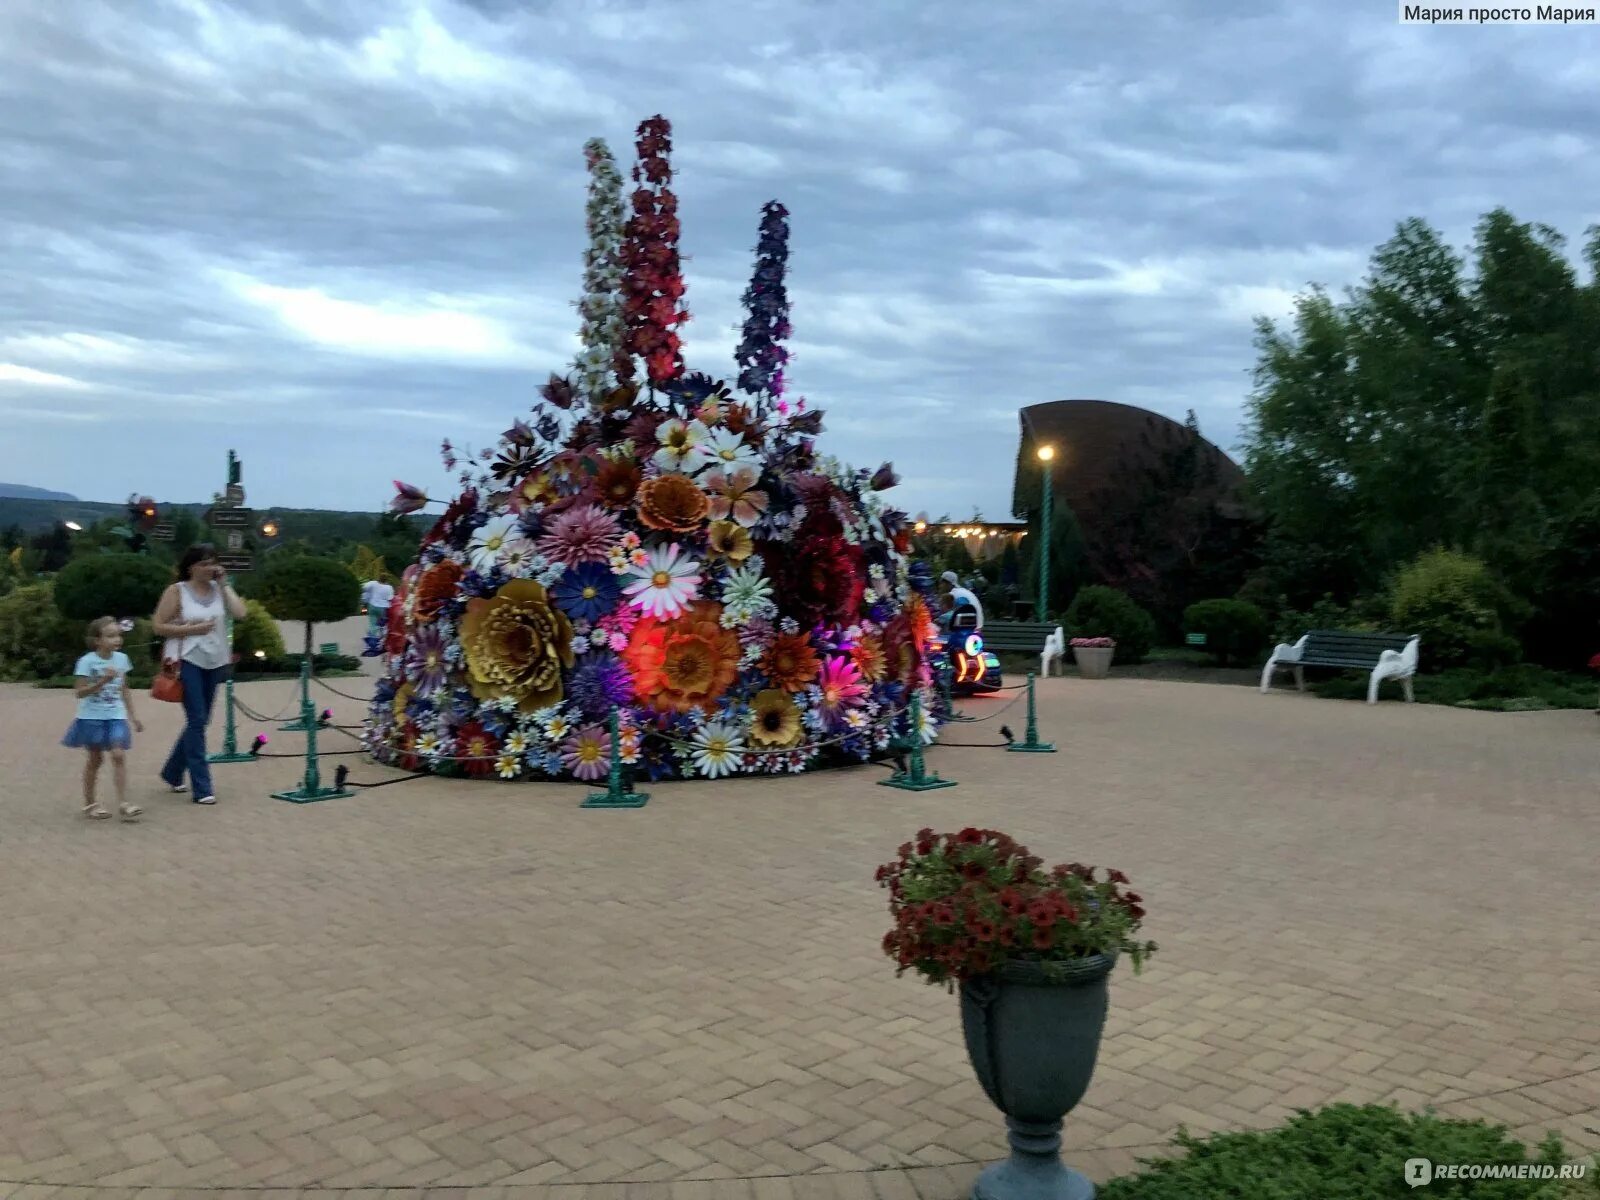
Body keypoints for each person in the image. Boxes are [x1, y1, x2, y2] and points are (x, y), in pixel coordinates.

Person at [151, 544, 248, 805]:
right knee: (196, 720)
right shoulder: (177, 591)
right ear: (191, 566)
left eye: (213, 563)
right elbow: (158, 626)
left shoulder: (219, 590)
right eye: (204, 563)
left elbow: (241, 613)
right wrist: (189, 630)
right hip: (187, 659)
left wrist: (225, 585)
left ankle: (172, 771)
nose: (209, 568)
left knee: (202, 720)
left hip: (215, 659)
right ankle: (202, 787)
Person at [63, 616, 145, 821]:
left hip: (115, 715)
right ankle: (90, 803)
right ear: (97, 640)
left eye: (118, 635)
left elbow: (124, 688)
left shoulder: (121, 659)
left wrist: (133, 716)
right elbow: (79, 692)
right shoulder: (87, 661)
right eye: (110, 636)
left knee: (118, 755)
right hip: (91, 717)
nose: (117, 639)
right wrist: (102, 681)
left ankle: (125, 803)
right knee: (95, 759)